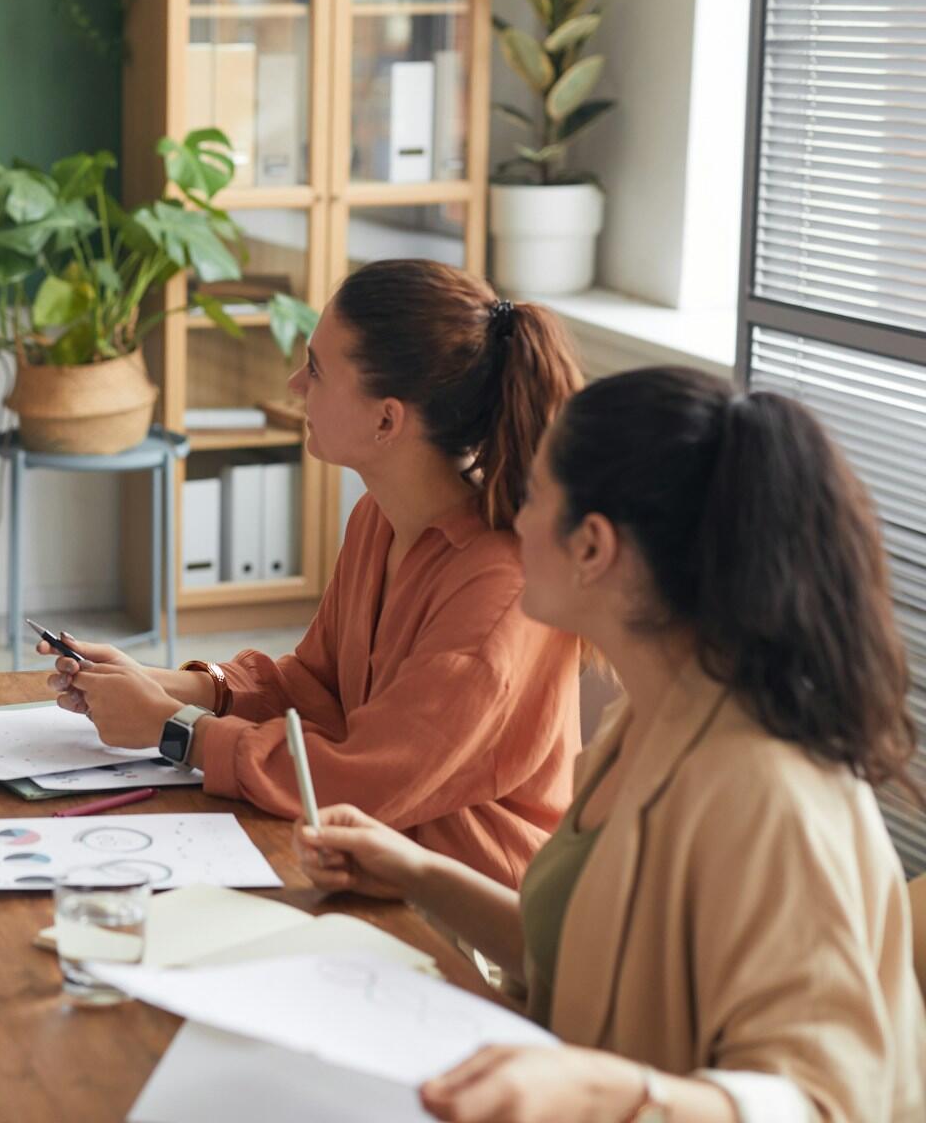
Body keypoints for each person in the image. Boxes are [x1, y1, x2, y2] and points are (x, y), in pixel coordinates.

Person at [299, 367, 926, 1122]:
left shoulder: (770, 791)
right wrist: (416, 874)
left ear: (592, 546)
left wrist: (616, 1094)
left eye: (533, 497)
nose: (514, 520)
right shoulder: (644, 718)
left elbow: (824, 1103)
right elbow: (580, 959)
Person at [44, 259, 585, 887]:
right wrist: (168, 686)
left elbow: (363, 783)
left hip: (467, 913)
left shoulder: (500, 594)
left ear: (386, 420)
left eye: (317, 369)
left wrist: (174, 731)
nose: (296, 383)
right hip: (365, 869)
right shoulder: (378, 518)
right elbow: (317, 690)